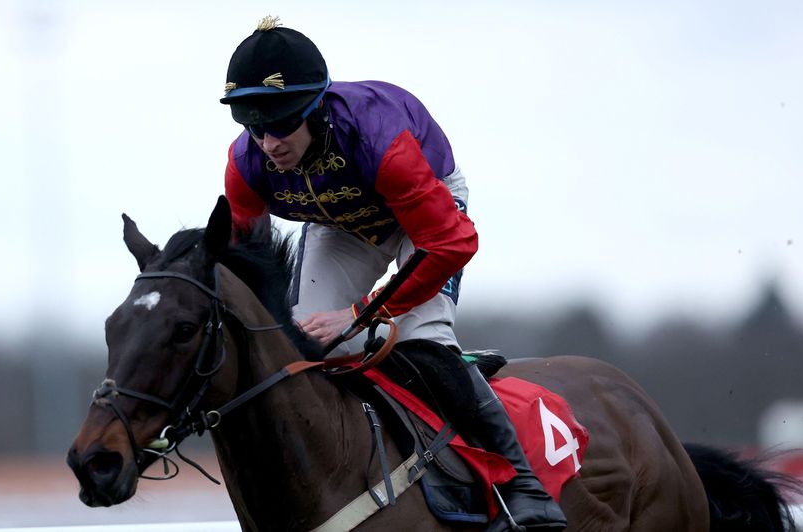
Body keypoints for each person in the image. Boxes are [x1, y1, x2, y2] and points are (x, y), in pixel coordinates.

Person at [219, 16, 566, 531]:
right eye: (253, 123)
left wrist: (361, 315)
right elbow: (239, 262)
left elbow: (452, 243)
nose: (268, 142)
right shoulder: (245, 162)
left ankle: (524, 488)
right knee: (307, 340)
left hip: (424, 217)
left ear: (315, 105)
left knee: (423, 336)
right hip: (339, 224)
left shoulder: (379, 138)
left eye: (281, 121)